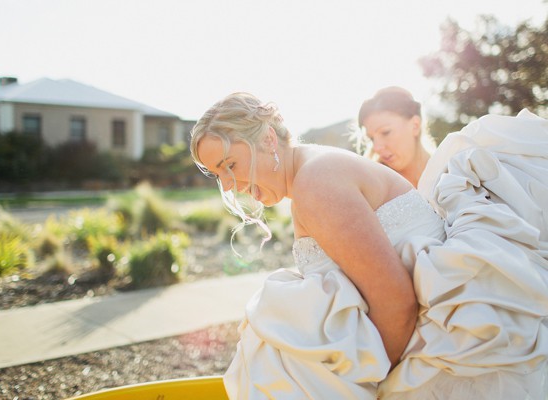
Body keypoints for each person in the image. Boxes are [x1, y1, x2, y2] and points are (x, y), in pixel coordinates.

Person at [190, 92, 548, 399]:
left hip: (441, 358)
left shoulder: (317, 183)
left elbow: (396, 302)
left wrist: (369, 389)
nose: (230, 185)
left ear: (268, 139)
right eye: (218, 174)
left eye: (230, 165)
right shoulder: (314, 173)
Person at [358, 87, 435, 187]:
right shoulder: (375, 187)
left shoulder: (454, 169)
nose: (376, 148)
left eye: (385, 132)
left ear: (415, 125)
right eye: (371, 139)